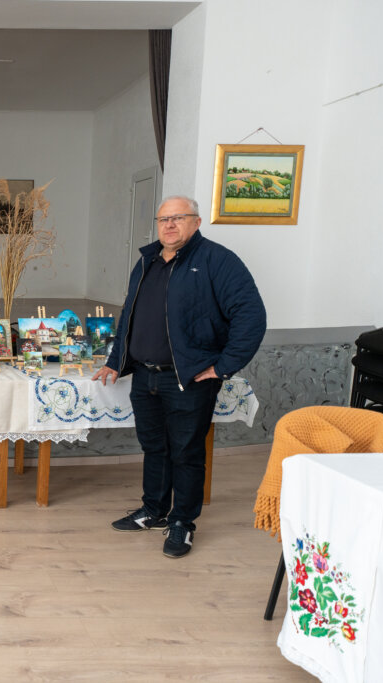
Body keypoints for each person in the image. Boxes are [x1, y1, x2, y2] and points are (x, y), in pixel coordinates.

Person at [92, 195, 266, 558]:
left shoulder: (218, 261)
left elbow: (251, 315)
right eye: (163, 219)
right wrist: (115, 360)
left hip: (187, 379)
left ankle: (182, 523)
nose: (169, 225)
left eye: (178, 218)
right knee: (154, 448)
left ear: (196, 222)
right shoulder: (147, 261)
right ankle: (153, 510)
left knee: (186, 453)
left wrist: (222, 366)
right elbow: (129, 316)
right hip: (145, 376)